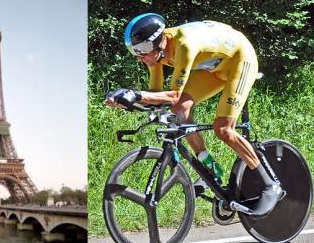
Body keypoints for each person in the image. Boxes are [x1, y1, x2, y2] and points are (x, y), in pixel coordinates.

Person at [105, 13, 282, 216]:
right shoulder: (156, 56)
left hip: (240, 60)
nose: (140, 57)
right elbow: (156, 97)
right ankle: (211, 168)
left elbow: (172, 95)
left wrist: (135, 94)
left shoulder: (184, 46)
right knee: (180, 109)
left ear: (157, 43)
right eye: (134, 52)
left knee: (223, 129)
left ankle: (270, 185)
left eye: (142, 51)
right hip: (215, 68)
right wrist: (126, 101)